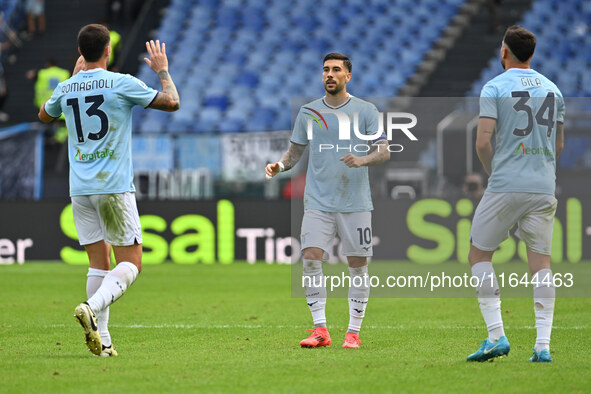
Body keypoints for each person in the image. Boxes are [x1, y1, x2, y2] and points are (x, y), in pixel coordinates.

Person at [38, 24, 180, 356]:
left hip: (80, 189)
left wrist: (72, 81)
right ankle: (91, 307)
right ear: (108, 51)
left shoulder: (66, 87)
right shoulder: (121, 82)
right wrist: (163, 71)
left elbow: (44, 115)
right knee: (131, 263)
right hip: (113, 188)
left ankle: (103, 341)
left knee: (98, 263)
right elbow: (172, 103)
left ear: (79, 52)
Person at [265, 53, 390, 349]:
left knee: (358, 265)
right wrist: (279, 166)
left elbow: (384, 152)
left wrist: (363, 160)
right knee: (310, 258)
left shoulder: (366, 110)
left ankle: (353, 332)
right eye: (325, 70)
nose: (329, 74)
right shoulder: (308, 112)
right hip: (318, 202)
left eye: (336, 70)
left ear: (348, 76)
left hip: (356, 202)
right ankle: (320, 330)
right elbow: (294, 154)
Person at [467, 25, 564, 363]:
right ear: (532, 55)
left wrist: (495, 173)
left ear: (504, 53)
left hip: (506, 183)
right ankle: (542, 346)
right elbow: (559, 144)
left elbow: (482, 142)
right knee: (541, 264)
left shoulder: (494, 87)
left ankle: (496, 336)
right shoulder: (553, 90)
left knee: (479, 256)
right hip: (543, 186)